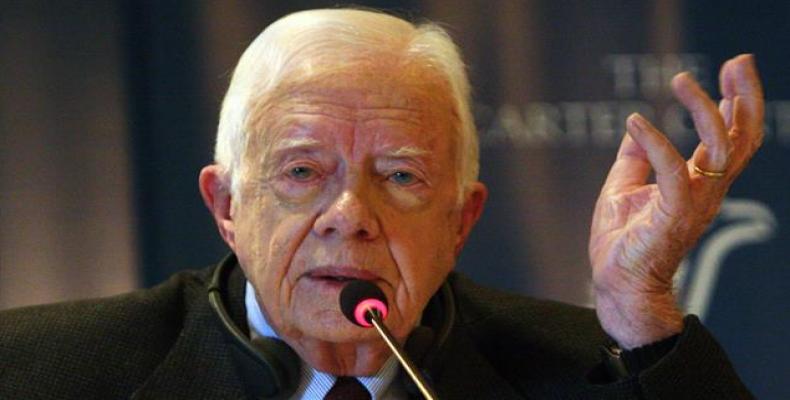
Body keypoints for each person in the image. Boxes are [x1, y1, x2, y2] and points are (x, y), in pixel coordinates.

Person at [0, 8, 762, 399]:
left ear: (461, 219)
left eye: (400, 177)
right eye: (303, 171)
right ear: (226, 205)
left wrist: (640, 308)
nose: (350, 214)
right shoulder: (36, 373)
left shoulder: (590, 372)